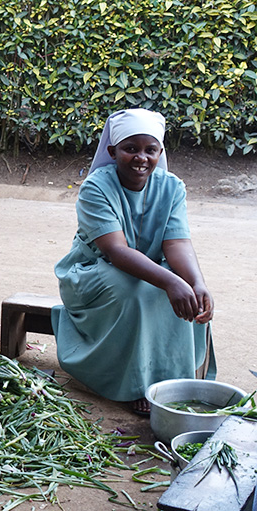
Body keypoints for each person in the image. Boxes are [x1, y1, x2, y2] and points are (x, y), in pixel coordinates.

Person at [51, 108, 214, 416]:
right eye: (131, 149)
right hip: (91, 274)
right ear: (113, 151)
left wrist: (196, 282)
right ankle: (132, 384)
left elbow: (177, 242)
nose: (141, 158)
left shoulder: (172, 187)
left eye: (150, 150)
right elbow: (115, 250)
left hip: (144, 271)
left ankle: (170, 380)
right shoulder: (95, 188)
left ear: (160, 152)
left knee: (180, 291)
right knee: (139, 292)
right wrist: (170, 281)